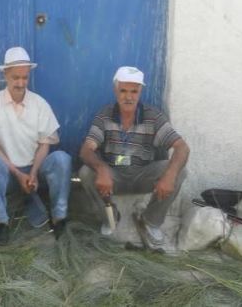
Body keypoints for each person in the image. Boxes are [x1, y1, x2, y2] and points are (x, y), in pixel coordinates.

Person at [78, 66, 190, 251]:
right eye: (123, 90)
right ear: (115, 91)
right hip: (114, 177)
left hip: (143, 174)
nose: (128, 97)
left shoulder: (153, 117)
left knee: (179, 170)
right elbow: (86, 150)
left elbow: (182, 147)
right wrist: (102, 169)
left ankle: (150, 221)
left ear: (140, 92)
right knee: (85, 172)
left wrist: (169, 175)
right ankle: (110, 216)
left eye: (134, 91)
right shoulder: (105, 115)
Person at [0, 47, 72, 244]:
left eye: (24, 77)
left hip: (34, 170)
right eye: (15, 77)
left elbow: (45, 144)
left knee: (62, 159)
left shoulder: (39, 104)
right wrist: (18, 174)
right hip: (9, 172)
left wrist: (34, 173)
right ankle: (1, 222)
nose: (20, 83)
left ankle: (59, 218)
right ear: (5, 75)